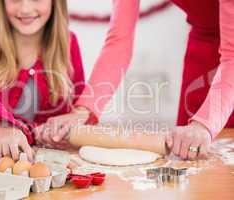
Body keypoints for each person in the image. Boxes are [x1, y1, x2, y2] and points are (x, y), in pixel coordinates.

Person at [41, 0, 234, 160]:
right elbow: (119, 42)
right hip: (204, 45)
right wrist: (84, 110)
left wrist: (203, 124)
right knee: (188, 157)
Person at [0, 0, 88, 161]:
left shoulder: (68, 42)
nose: (25, 9)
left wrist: (74, 122)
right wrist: (3, 125)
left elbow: (79, 106)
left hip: (46, 158)